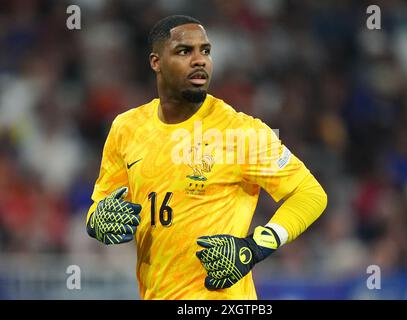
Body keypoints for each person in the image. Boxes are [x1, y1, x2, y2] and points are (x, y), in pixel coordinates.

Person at [86, 15, 327, 300]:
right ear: (156, 62)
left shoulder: (240, 131)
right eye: (184, 51)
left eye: (206, 51)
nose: (200, 60)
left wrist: (255, 247)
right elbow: (101, 204)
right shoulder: (126, 128)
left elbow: (310, 194)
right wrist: (96, 221)